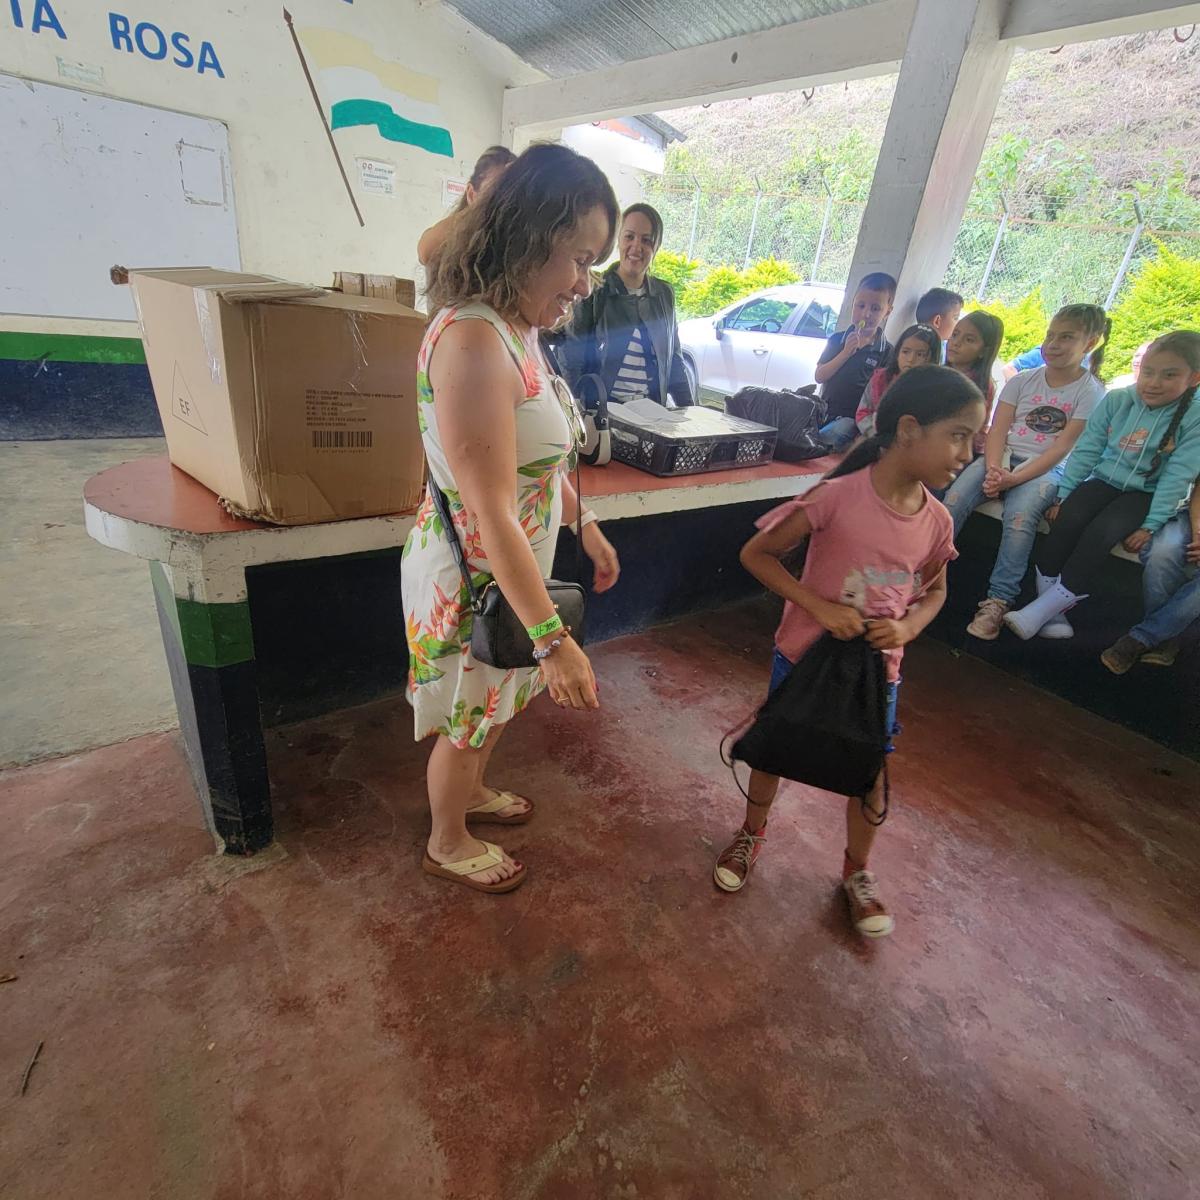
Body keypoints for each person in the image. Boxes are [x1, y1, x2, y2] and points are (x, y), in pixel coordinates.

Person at [404, 144, 622, 893]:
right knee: (469, 715)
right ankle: (447, 839)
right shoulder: (473, 339)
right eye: (578, 259)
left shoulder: (516, 326)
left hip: (513, 567)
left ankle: (469, 796)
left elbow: (536, 460)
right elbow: (490, 507)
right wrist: (553, 641)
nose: (584, 284)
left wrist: (584, 524)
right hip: (475, 574)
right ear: (528, 237)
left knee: (494, 701)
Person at [712, 366, 986, 938]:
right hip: (803, 657)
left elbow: (935, 591)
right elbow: (756, 554)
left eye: (973, 439)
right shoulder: (836, 496)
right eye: (958, 435)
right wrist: (818, 606)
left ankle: (856, 871)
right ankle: (750, 835)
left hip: (877, 674)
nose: (968, 453)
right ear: (908, 429)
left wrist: (908, 627)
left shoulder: (937, 521)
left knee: (869, 770)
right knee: (775, 749)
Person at [1005, 330, 1200, 640]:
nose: (1153, 382)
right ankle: (1052, 613)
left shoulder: (1194, 415)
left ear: (1194, 378)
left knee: (1102, 532)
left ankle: (1038, 612)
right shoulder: (1119, 399)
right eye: (1148, 372)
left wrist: (1150, 525)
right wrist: (1065, 494)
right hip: (1105, 479)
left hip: (1145, 493)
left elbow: (1179, 474)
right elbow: (1089, 448)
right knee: (1068, 519)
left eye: (1169, 375)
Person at [944, 304, 1110, 640]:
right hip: (1002, 458)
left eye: (1066, 338)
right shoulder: (1022, 380)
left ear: (1090, 343)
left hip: (1045, 469)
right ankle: (922, 571)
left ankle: (998, 599)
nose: (1053, 344)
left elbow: (1061, 447)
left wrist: (1014, 479)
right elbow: (998, 430)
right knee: (954, 501)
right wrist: (995, 469)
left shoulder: (1091, 392)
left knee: (1020, 520)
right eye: (1051, 335)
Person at [559, 202, 694, 408]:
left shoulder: (664, 295)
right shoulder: (594, 290)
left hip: (652, 414)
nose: (636, 247)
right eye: (629, 237)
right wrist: (577, 409)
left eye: (646, 240)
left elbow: (674, 360)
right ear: (618, 241)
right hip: (605, 412)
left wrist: (692, 412)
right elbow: (572, 357)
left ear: (656, 247)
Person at [1101, 478, 1200, 673]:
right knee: (1161, 553)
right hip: (1195, 519)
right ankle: (1166, 637)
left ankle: (1141, 638)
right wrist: (1198, 534)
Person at [815, 272, 897, 451]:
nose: (866, 314)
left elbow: (880, 395)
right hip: (824, 411)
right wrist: (845, 353)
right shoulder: (838, 339)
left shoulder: (886, 351)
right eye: (861, 305)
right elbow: (819, 376)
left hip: (854, 420)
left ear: (887, 312)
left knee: (828, 437)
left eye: (875, 309)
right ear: (853, 303)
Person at [416, 145, 516, 268]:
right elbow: (425, 252)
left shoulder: (521, 239)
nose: (503, 203)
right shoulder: (457, 237)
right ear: (471, 194)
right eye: (493, 194)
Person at [855, 323, 941, 438]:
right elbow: (863, 412)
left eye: (920, 354)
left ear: (932, 358)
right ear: (897, 352)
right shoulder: (881, 378)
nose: (911, 359)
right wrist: (875, 434)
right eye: (905, 352)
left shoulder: (933, 390)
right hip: (874, 436)